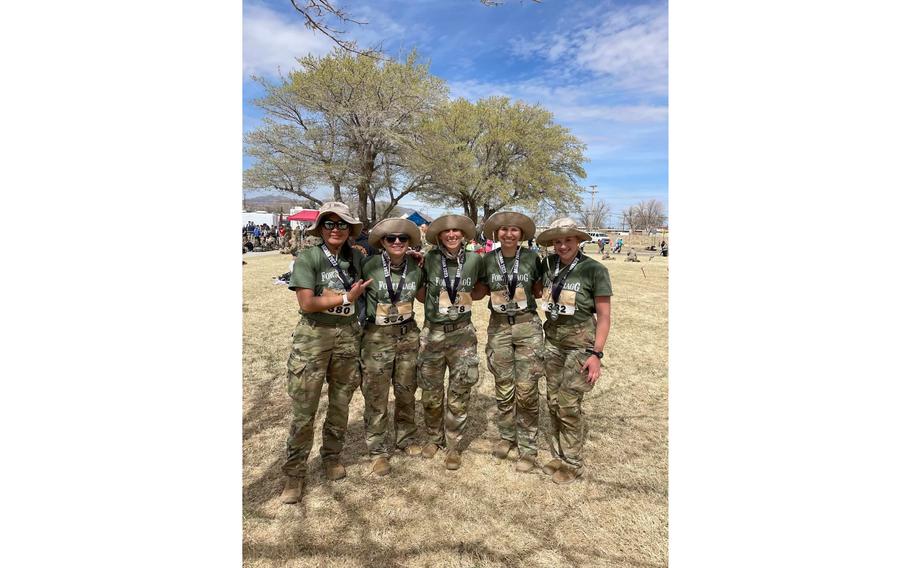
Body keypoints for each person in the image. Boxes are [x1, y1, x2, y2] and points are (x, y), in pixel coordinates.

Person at [279, 202, 373, 504]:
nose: (336, 229)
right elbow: (306, 303)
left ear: (350, 230)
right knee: (304, 410)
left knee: (340, 404)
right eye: (329, 224)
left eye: (342, 225)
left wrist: (413, 255)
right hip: (314, 337)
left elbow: (385, 262)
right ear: (320, 228)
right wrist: (346, 296)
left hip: (347, 336)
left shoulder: (355, 259)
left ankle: (331, 456)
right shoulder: (309, 257)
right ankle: (294, 473)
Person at [536, 218, 612, 484]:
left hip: (581, 345)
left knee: (569, 404)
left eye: (568, 240)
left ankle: (573, 462)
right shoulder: (547, 265)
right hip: (553, 341)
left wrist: (596, 354)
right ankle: (559, 453)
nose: (562, 245)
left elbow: (604, 316)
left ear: (578, 241)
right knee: (553, 401)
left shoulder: (594, 270)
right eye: (557, 241)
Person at [473, 211, 545, 473]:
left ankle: (528, 447)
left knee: (526, 389)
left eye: (514, 230)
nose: (509, 234)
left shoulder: (532, 258)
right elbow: (479, 290)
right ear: (496, 234)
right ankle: (507, 437)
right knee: (504, 386)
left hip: (527, 326)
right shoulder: (487, 260)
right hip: (499, 327)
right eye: (503, 229)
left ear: (522, 235)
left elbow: (539, 288)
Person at [415, 214, 485, 470]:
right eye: (447, 232)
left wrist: (461, 299)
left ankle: (453, 445)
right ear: (439, 236)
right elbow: (421, 293)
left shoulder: (476, 259)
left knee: (459, 391)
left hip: (463, 334)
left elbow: (481, 289)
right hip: (433, 333)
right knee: (431, 391)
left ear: (464, 235)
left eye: (457, 231)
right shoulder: (428, 259)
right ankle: (434, 438)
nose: (452, 235)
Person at [359, 218, 426, 476]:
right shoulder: (370, 265)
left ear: (410, 242)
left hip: (407, 335)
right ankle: (377, 450)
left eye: (403, 239)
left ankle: (406, 438)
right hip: (377, 337)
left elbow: (421, 293)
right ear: (383, 242)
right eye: (391, 239)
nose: (397, 242)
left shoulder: (416, 266)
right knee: (376, 394)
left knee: (407, 390)